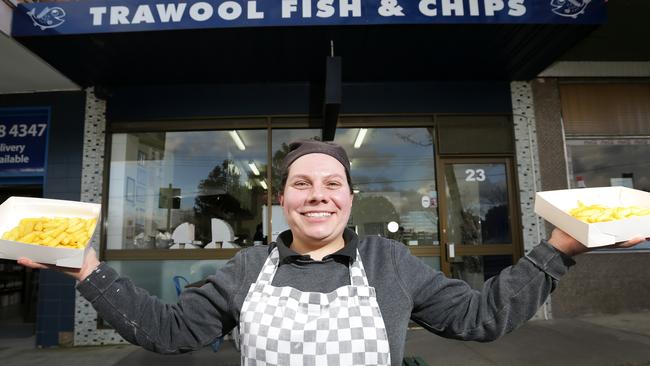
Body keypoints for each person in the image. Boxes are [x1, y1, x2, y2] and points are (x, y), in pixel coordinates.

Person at [18, 140, 643, 365]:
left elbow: (482, 318)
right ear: (283, 200)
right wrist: (88, 269)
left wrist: (559, 249)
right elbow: (168, 333)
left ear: (349, 196)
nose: (317, 197)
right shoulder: (247, 267)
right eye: (301, 184)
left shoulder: (389, 264)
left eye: (331, 184)